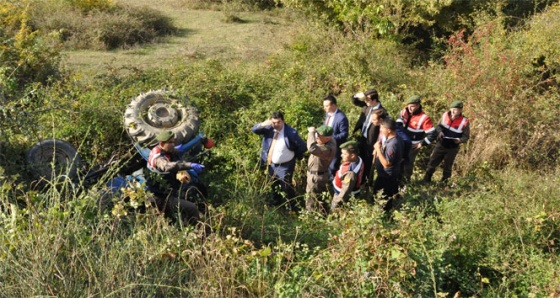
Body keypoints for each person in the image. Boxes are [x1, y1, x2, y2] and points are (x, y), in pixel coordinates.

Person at [146, 130, 206, 226]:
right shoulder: (158, 158)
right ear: (162, 143)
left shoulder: (165, 149)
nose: (173, 144)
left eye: (174, 142)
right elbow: (167, 166)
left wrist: (197, 140)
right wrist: (190, 165)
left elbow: (180, 150)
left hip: (169, 192)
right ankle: (199, 232)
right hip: (161, 198)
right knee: (192, 208)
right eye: (170, 142)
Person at [252, 111, 307, 211]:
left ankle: (292, 208)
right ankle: (276, 205)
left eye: (278, 122)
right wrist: (264, 123)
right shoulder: (269, 128)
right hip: (271, 164)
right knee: (274, 185)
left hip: (285, 166)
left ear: (283, 121)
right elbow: (254, 130)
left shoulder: (291, 133)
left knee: (286, 187)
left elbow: (302, 146)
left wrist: (295, 155)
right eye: (273, 122)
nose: (276, 125)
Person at [422, 100, 470, 184]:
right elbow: (438, 127)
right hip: (441, 143)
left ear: (461, 110)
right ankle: (427, 178)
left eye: (459, 110)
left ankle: (444, 182)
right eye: (454, 109)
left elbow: (466, 137)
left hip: (453, 146)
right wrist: (440, 132)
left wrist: (459, 140)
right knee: (433, 161)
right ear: (451, 109)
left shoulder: (465, 122)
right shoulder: (444, 116)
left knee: (448, 165)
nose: (456, 111)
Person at [396, 95, 436, 182]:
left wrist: (421, 143)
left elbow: (432, 134)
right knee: (398, 163)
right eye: (409, 105)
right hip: (401, 143)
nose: (410, 107)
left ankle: (405, 183)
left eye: (413, 106)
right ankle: (397, 181)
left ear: (418, 105)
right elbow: (398, 123)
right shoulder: (404, 111)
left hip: (412, 146)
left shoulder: (424, 118)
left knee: (408, 164)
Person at [351, 89, 386, 186]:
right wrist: (357, 95)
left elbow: (383, 129)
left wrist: (379, 143)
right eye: (365, 99)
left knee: (368, 162)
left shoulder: (382, 112)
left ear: (375, 100)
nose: (365, 101)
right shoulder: (367, 106)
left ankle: (365, 182)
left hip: (371, 141)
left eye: (368, 99)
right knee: (359, 158)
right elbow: (355, 101)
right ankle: (358, 177)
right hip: (362, 137)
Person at [373, 118, 404, 211]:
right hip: (387, 175)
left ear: (389, 130)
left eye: (382, 128)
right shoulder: (395, 138)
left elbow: (387, 164)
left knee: (383, 197)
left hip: (387, 176)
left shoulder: (393, 144)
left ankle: (383, 214)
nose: (380, 130)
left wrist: (378, 149)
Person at [305, 125, 337, 213]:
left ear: (327, 139)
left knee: (311, 199)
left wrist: (311, 133)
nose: (316, 137)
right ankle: (323, 214)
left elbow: (312, 148)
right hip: (317, 175)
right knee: (320, 199)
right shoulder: (330, 140)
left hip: (316, 177)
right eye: (316, 135)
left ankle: (310, 217)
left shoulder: (327, 149)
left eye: (319, 136)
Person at [331, 141, 364, 211]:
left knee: (335, 212)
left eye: (344, 154)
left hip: (342, 196)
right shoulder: (358, 159)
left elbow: (345, 191)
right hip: (343, 192)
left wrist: (335, 203)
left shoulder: (350, 173)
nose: (341, 155)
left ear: (352, 155)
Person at [323, 94, 349, 177]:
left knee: (333, 167)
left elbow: (344, 134)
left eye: (326, 106)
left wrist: (331, 138)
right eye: (324, 106)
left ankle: (333, 185)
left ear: (333, 105)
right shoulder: (328, 114)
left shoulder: (341, 118)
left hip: (335, 147)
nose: (324, 108)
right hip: (326, 145)